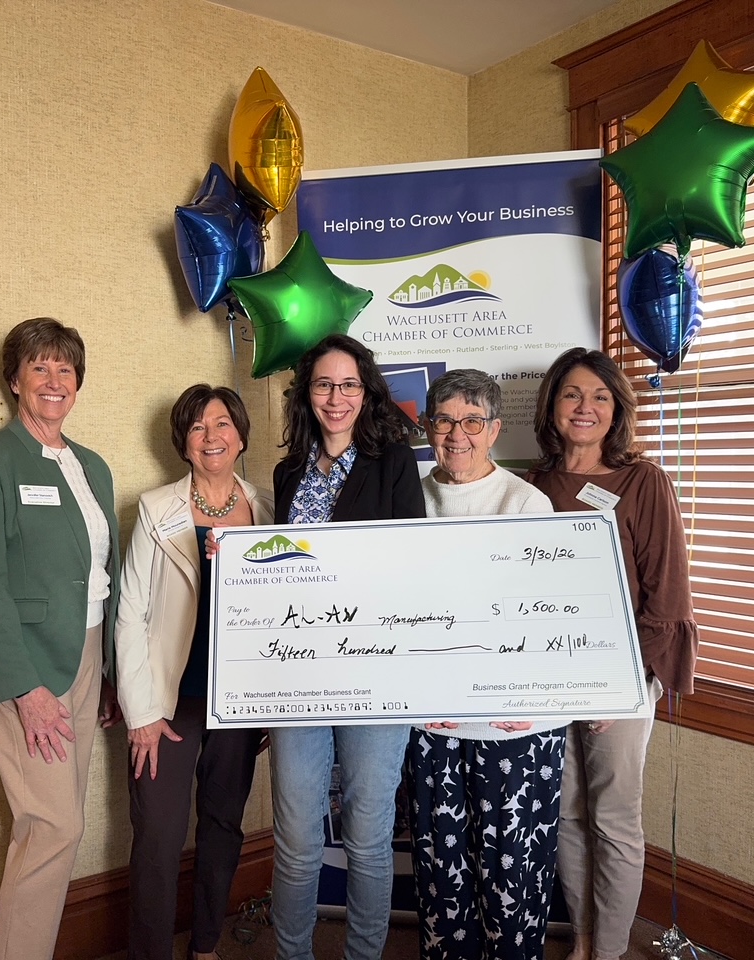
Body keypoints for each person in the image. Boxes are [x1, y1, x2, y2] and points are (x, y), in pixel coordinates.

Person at [0, 317, 121, 960]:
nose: (54, 380)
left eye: (64, 369)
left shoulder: (92, 466)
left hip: (86, 658)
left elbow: (100, 575)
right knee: (53, 826)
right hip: (27, 667)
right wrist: (24, 689)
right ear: (15, 381)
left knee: (59, 826)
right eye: (39, 367)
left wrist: (106, 673)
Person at [526, 348, 699, 960]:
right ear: (552, 404)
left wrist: (620, 686)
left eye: (600, 397)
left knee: (614, 819)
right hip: (549, 679)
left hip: (621, 678)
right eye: (572, 394)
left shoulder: (643, 482)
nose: (585, 407)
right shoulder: (533, 486)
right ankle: (583, 940)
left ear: (617, 410)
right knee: (567, 815)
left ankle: (611, 951)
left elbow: (667, 594)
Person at [270, 334, 425, 960]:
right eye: (324, 385)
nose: (336, 398)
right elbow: (277, 572)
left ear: (367, 392)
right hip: (298, 676)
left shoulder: (395, 462)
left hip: (375, 673)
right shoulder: (288, 472)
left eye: (349, 385)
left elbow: (412, 563)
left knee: (367, 838)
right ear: (307, 393)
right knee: (296, 839)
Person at [406, 369, 566, 960]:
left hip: (513, 725)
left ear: (494, 430)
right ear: (428, 428)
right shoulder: (408, 497)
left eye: (472, 421)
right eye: (445, 421)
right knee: (440, 874)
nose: (458, 435)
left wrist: (534, 701)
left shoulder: (526, 503)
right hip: (432, 722)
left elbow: (554, 614)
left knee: (512, 878)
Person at [116, 384, 272, 960]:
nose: (212, 436)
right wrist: (141, 713)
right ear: (183, 442)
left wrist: (271, 704)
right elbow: (131, 613)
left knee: (223, 825)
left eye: (223, 423)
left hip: (236, 701)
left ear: (241, 436)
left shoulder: (269, 508)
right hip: (168, 702)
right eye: (198, 426)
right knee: (157, 836)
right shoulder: (157, 509)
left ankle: (205, 945)